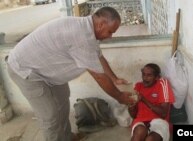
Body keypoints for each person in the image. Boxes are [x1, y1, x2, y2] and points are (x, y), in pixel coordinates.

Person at [6, 7, 135, 141]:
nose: (110, 37)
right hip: (25, 70)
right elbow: (99, 76)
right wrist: (119, 96)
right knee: (50, 116)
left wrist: (114, 79)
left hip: (46, 70)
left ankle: (66, 138)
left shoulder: (87, 28)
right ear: (101, 24)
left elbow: (99, 57)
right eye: (110, 32)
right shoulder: (81, 36)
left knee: (62, 101)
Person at [128, 63, 175, 141]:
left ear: (157, 77)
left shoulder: (162, 84)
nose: (145, 78)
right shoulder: (138, 86)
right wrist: (131, 105)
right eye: (143, 74)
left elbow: (163, 113)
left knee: (150, 139)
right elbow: (133, 115)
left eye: (149, 75)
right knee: (139, 132)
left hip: (159, 120)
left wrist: (144, 100)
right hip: (140, 121)